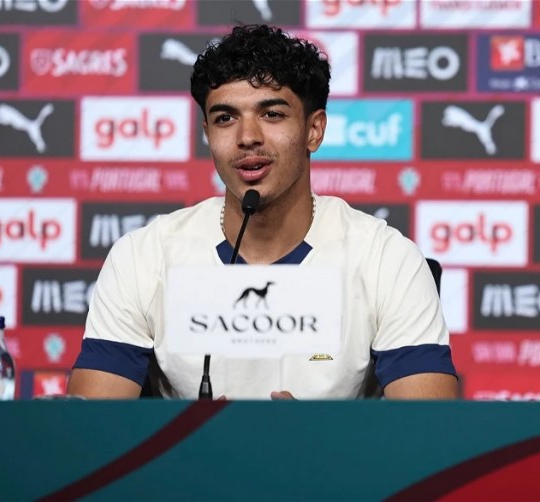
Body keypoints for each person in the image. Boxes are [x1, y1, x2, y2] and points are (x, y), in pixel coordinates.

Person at [68, 24, 458, 400]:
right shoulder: (143, 256)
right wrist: (195, 435)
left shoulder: (386, 258)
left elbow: (429, 430)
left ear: (314, 130)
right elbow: (89, 430)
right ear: (207, 133)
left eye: (271, 114)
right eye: (225, 118)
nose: (247, 137)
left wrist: (311, 436)